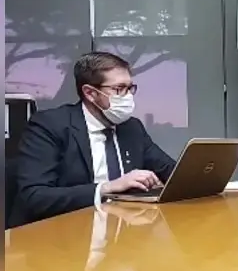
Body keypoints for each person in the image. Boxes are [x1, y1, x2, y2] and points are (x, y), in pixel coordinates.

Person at [9, 52, 176, 227]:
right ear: (90, 93)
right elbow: (35, 197)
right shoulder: (50, 125)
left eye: (130, 88)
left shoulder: (131, 127)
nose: (128, 96)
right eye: (119, 89)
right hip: (59, 231)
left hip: (123, 229)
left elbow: (170, 171)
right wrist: (106, 188)